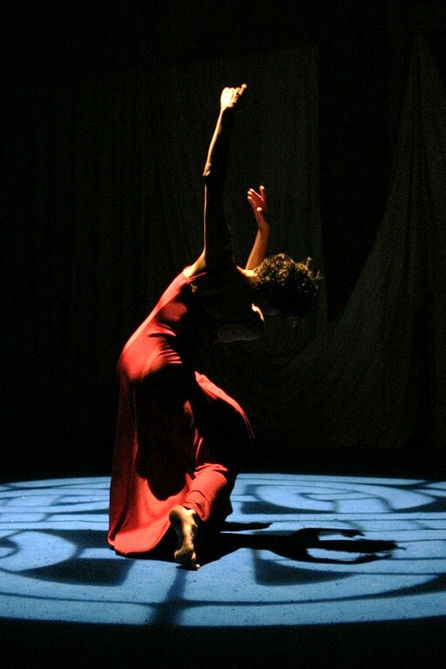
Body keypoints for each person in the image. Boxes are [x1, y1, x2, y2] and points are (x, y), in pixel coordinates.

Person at [107, 84, 320, 569]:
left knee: (200, 430)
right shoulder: (253, 321)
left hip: (136, 355)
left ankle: (186, 509)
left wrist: (225, 112)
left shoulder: (218, 263)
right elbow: (253, 290)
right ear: (280, 308)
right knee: (231, 433)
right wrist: (263, 233)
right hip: (166, 368)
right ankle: (190, 512)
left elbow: (212, 176)